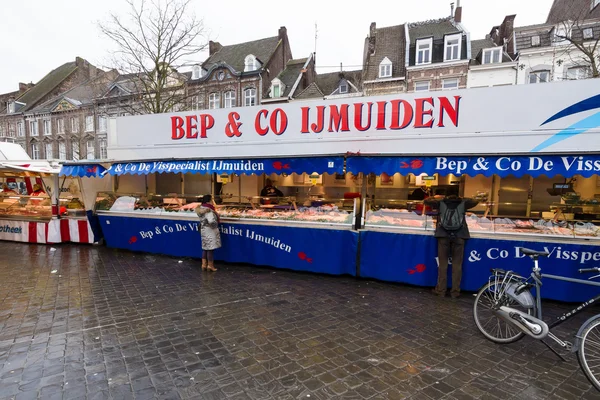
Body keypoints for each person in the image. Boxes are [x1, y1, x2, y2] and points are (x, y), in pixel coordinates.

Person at [425, 195, 479, 298]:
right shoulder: (463, 203)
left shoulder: (440, 202)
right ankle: (455, 292)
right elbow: (476, 201)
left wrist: (437, 197)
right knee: (457, 264)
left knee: (443, 264)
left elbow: (426, 201)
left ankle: (441, 290)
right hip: (459, 235)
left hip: (443, 235)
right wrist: (463, 197)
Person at [195, 195, 221, 272]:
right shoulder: (208, 210)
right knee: (210, 249)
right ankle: (210, 265)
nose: (212, 202)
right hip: (210, 230)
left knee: (205, 248)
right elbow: (212, 221)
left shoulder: (201, 209)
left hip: (203, 230)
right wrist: (216, 225)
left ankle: (203, 265)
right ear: (208, 201)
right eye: (211, 200)